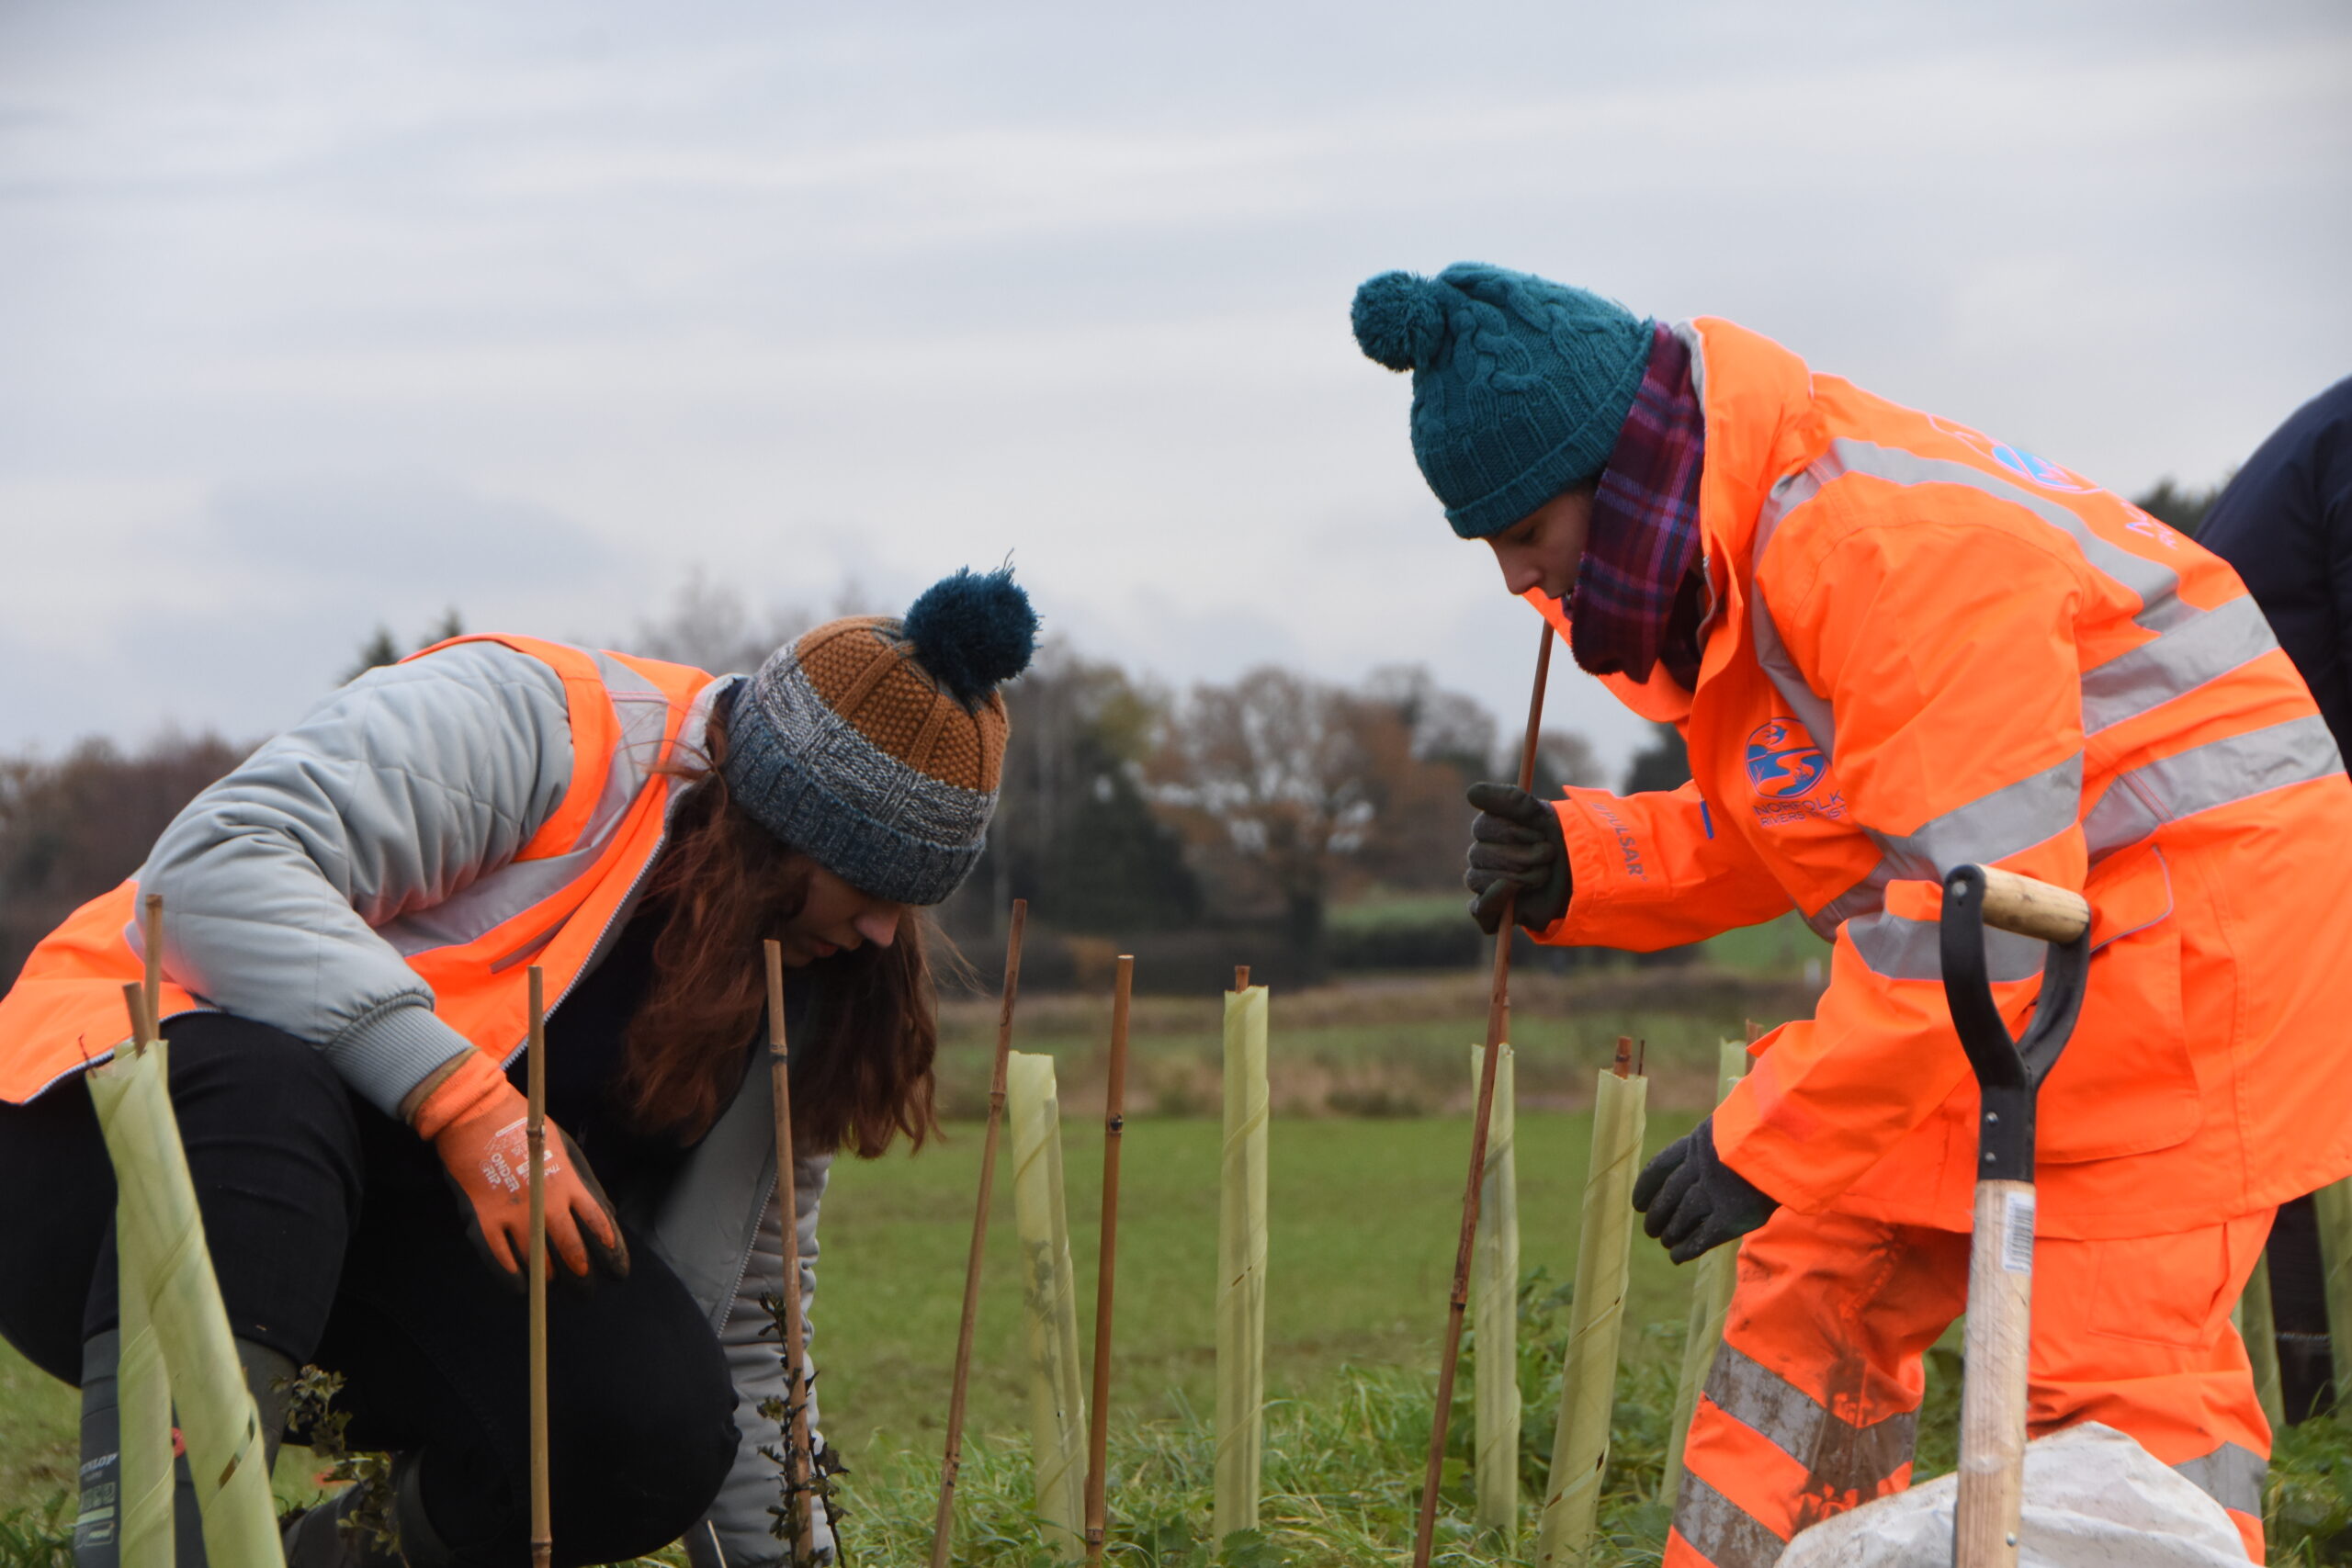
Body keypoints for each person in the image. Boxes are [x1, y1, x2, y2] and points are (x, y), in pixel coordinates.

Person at [1351, 262, 2352, 1565]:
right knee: (1817, 1283)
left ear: (1621, 475)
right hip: (2032, 943)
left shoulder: (1886, 551)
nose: (1513, 576)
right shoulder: (1751, 550)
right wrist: (1588, 859)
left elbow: (1974, 913)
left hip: (2195, 965)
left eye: (1524, 530)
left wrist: (1760, 1139)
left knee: (2118, 1403)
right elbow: (1826, 810)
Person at [0, 567, 1038, 1568]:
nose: (880, 929)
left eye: (914, 897)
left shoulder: (797, 981)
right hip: (98, 1164)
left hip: (355, 1250)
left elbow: (752, 1323)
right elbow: (214, 867)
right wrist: (462, 1103)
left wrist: (790, 1561)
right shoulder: (539, 724)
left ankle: (323, 1561)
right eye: (861, 882)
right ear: (775, 825)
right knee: (276, 1093)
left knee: (654, 1421)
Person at [2193, 374, 2352, 1424]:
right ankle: (2315, 1413)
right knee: (2281, 1125)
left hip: (2258, 811)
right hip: (2249, 819)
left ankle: (2313, 1408)